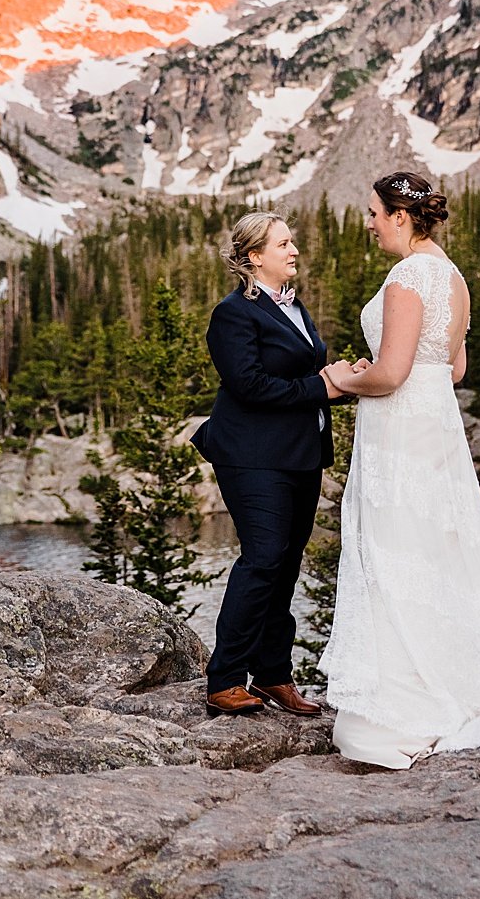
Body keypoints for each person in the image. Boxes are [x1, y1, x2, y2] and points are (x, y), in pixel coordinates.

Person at [319, 171, 480, 768]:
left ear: (401, 216)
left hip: (398, 428)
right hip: (435, 424)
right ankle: (466, 682)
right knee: (437, 547)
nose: (368, 224)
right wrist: (386, 367)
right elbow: (455, 367)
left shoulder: (407, 276)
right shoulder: (454, 277)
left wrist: (341, 378)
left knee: (394, 550)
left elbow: (390, 375)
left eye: (372, 213)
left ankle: (407, 705)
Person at [192, 211, 342, 717]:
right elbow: (249, 385)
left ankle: (274, 676)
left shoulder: (294, 306)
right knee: (262, 559)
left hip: (300, 454)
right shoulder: (232, 314)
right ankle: (225, 678)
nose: (294, 250)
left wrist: (341, 378)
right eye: (283, 244)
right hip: (251, 456)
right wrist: (321, 386)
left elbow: (303, 373)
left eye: (292, 242)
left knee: (286, 564)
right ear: (254, 257)